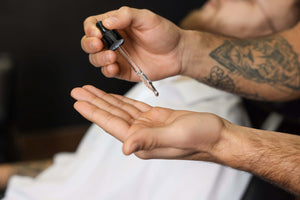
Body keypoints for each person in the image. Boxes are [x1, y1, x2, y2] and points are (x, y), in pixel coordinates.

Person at [2, 1, 300, 199]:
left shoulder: (195, 124)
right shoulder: (163, 86)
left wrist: (221, 142)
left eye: (250, 1)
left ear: (269, 38)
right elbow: (83, 171)